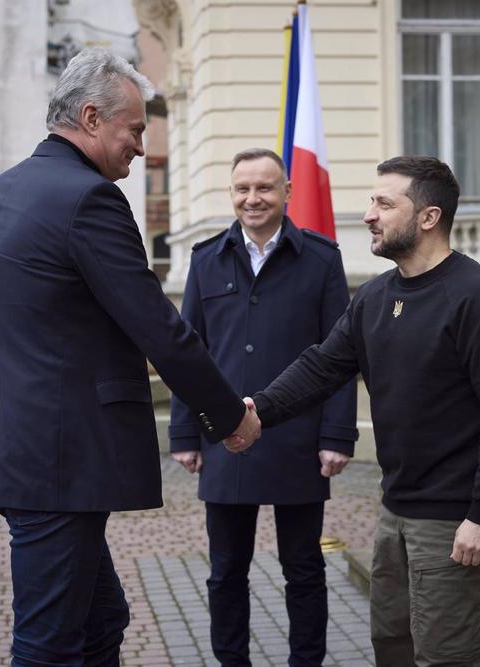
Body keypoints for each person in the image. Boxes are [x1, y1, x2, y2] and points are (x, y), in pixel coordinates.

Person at [0, 48, 260, 667]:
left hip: (22, 457)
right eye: (135, 129)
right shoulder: (89, 200)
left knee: (101, 618)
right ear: (91, 117)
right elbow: (158, 327)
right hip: (58, 463)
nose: (141, 146)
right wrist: (229, 416)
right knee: (47, 645)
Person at [246, 156, 480, 666]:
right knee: (391, 648)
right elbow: (321, 367)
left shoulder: (479, 298)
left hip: (450, 522)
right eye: (370, 202)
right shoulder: (375, 297)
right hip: (394, 511)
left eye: (384, 202)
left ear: (428, 217)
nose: (368, 215)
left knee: (444, 657)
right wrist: (256, 411)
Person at [169, 148, 358, 667]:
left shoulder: (322, 259)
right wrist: (186, 434)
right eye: (242, 189)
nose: (253, 198)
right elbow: (190, 352)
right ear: (232, 194)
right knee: (226, 570)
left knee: (304, 569)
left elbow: (341, 355)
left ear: (288, 192)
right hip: (226, 439)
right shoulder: (205, 259)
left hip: (299, 438)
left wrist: (337, 435)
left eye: (264, 188)